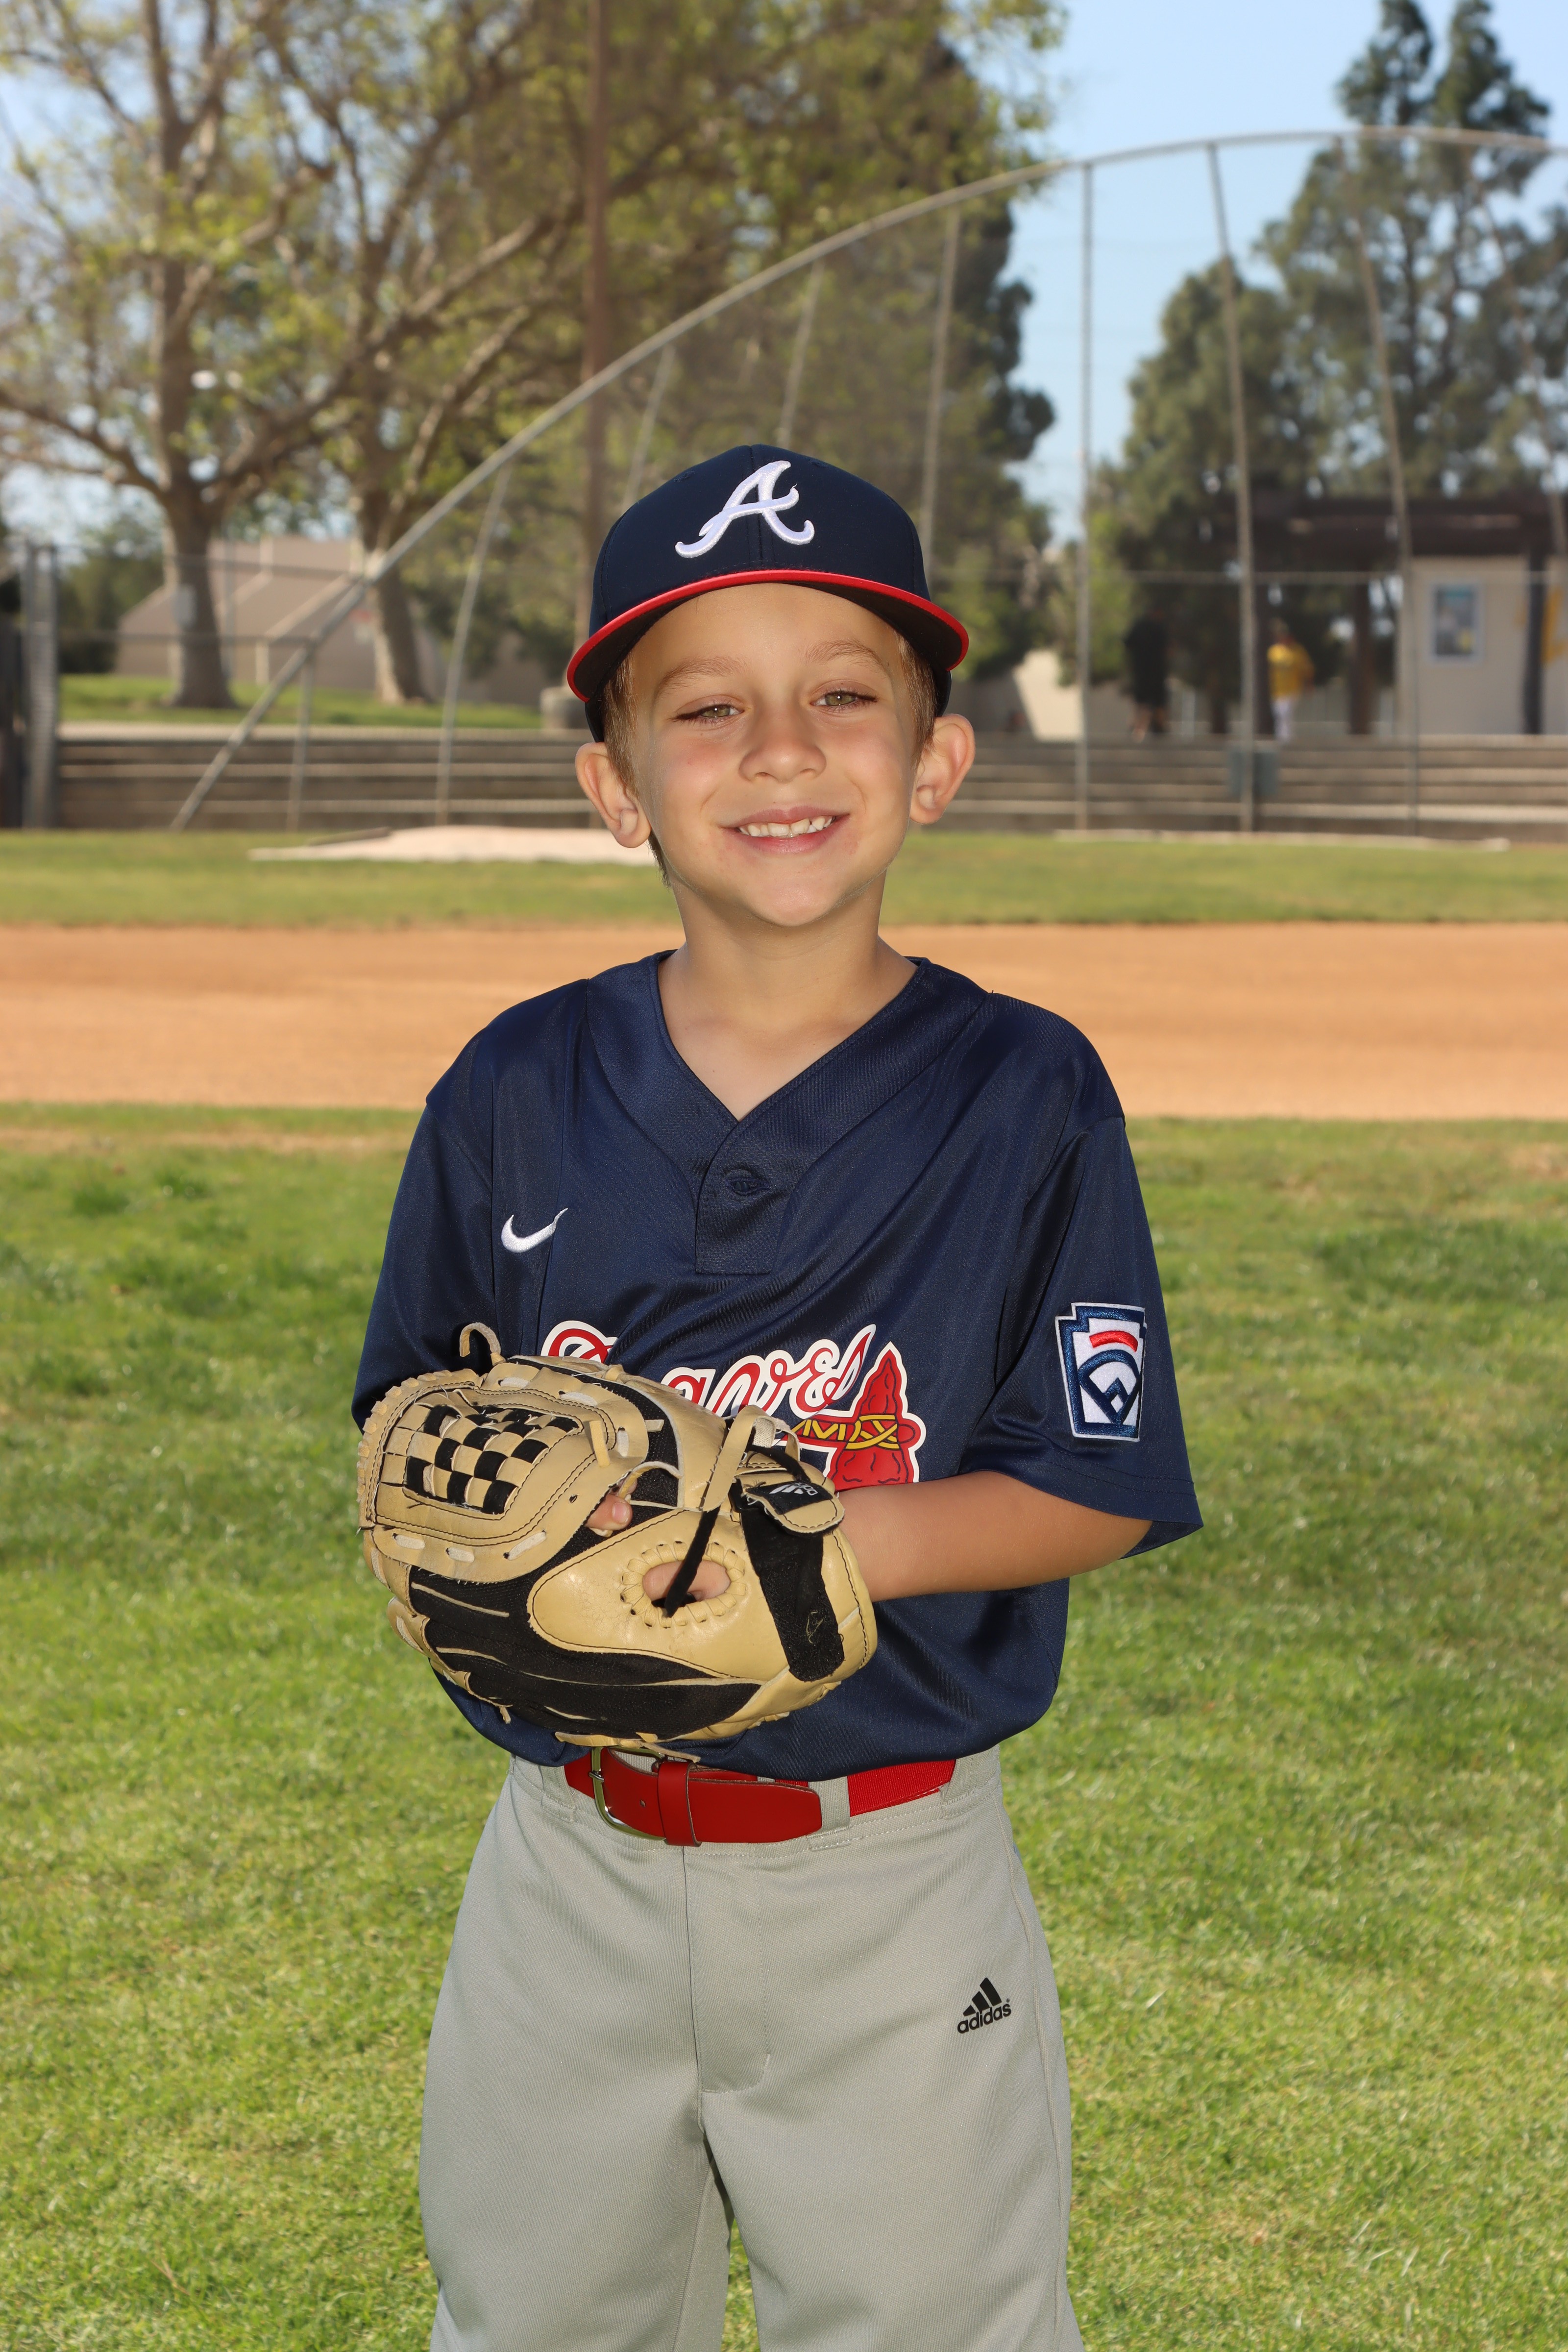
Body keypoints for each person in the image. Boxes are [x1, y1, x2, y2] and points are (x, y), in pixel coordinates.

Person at [354, 445, 1201, 2352]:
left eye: (841, 696)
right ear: (613, 784)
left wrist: (795, 1554)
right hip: (571, 1862)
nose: (781, 752)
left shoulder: (1024, 1094)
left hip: (887, 1873)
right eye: (706, 710)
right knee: (532, 2323)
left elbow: (1100, 1473)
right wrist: (490, 1558)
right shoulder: (513, 1090)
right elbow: (410, 1426)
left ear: (936, 760)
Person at [1122, 603, 1169, 739]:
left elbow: (1127, 643)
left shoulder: (1140, 627)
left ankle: (1142, 727)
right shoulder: (1158, 628)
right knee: (1154, 700)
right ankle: (1148, 727)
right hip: (1154, 671)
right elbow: (1168, 649)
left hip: (1142, 671)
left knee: (1144, 701)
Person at [1267, 618, 1314, 742]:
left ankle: (1286, 739)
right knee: (1279, 715)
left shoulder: (1298, 651)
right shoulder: (1274, 651)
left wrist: (1309, 685)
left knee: (1286, 713)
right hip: (1277, 690)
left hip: (1293, 689)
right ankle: (1283, 738)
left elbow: (1307, 670)